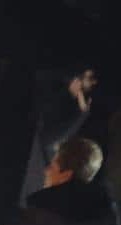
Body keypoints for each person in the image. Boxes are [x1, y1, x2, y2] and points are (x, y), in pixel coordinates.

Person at [22, 66, 96, 198]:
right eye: (89, 78)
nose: (92, 83)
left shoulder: (71, 106)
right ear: (76, 79)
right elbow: (49, 141)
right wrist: (81, 116)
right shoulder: (53, 91)